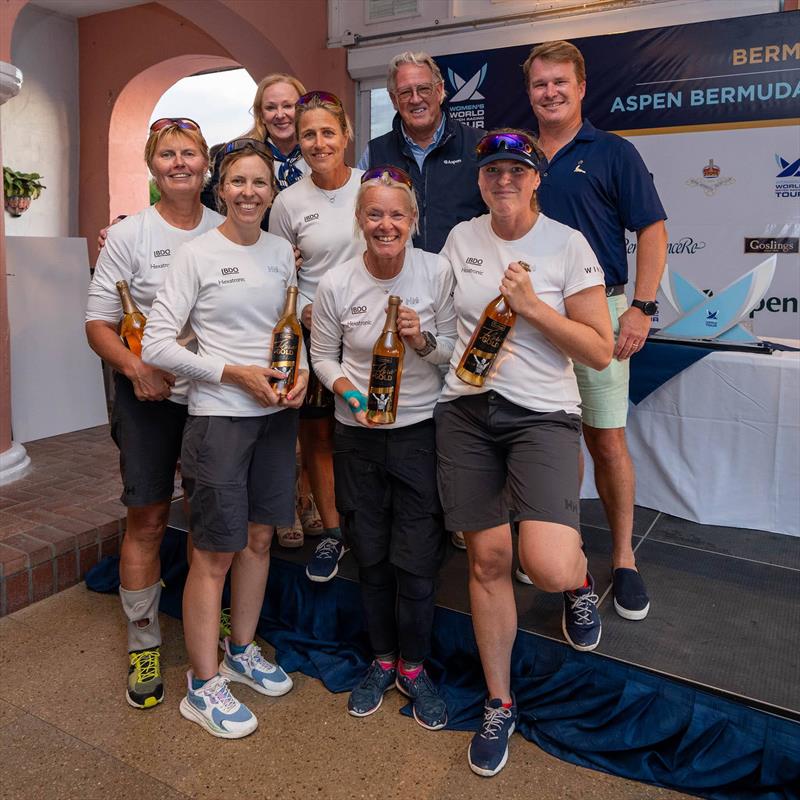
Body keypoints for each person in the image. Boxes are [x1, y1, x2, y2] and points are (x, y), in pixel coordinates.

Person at [435, 130, 613, 776]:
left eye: (516, 170)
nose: (503, 180)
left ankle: (580, 579)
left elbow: (598, 348)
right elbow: (438, 322)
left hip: (543, 416)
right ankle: (499, 701)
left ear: (537, 178)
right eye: (492, 172)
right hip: (468, 412)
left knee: (544, 563)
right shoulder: (461, 240)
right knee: (487, 561)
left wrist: (533, 307)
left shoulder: (566, 245)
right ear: (480, 183)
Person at [142, 139, 306, 738]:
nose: (248, 193)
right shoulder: (196, 255)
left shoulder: (281, 255)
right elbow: (156, 344)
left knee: (259, 539)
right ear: (221, 187)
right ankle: (202, 684)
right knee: (214, 550)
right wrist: (231, 372)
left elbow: (287, 330)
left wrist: (304, 370)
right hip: (218, 419)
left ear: (271, 192)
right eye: (237, 182)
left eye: (259, 183)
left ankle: (240, 651)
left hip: (275, 416)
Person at [522, 41, 668, 619]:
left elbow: (652, 230)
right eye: (539, 84)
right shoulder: (516, 153)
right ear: (528, 93)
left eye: (560, 82)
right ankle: (568, 550)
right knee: (546, 437)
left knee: (605, 438)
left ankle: (625, 557)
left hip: (597, 313)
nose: (550, 92)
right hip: (528, 318)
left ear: (581, 87)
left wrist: (642, 307)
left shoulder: (613, 152)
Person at [85, 118, 224, 710]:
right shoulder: (128, 236)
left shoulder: (230, 229)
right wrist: (137, 369)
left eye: (188, 153)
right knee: (146, 518)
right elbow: (97, 324)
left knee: (208, 519)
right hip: (147, 397)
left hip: (214, 400)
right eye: (166, 154)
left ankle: (205, 627)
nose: (179, 163)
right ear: (151, 166)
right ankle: (143, 640)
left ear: (205, 164)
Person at [312, 165, 456, 729]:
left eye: (397, 214)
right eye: (374, 213)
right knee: (370, 554)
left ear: (414, 221)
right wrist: (346, 391)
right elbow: (322, 355)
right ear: (359, 219)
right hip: (358, 437)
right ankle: (382, 660)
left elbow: (453, 354)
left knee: (418, 562)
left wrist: (423, 339)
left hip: (419, 432)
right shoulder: (336, 284)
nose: (386, 224)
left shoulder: (437, 271)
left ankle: (415, 669)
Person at [269, 90, 364, 582]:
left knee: (372, 432)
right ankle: (333, 533)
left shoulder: (374, 185)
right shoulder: (287, 202)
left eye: (328, 132)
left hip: (373, 333)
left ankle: (371, 527)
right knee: (320, 436)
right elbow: (283, 273)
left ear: (346, 135)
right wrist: (307, 313)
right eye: (309, 134)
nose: (319, 142)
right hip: (315, 332)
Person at [357, 51, 486, 255]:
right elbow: (361, 218)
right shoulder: (375, 153)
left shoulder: (478, 145)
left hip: (464, 276)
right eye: (405, 92)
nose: (416, 99)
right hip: (398, 277)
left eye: (424, 89)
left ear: (440, 90)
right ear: (393, 99)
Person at [201, 73, 310, 222]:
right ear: (261, 115)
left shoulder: (318, 155)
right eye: (270, 108)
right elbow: (212, 209)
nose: (280, 114)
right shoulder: (236, 156)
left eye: (288, 106)